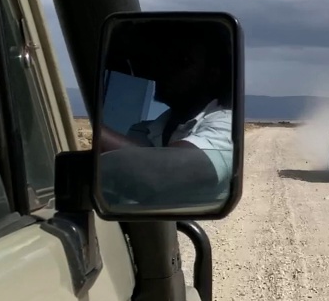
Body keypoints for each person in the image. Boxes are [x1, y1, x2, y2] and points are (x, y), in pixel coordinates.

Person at [97, 20, 234, 207]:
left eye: (182, 62)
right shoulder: (143, 130)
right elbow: (128, 175)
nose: (164, 70)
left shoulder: (226, 126)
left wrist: (94, 132)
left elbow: (158, 175)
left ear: (212, 75)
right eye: (163, 61)